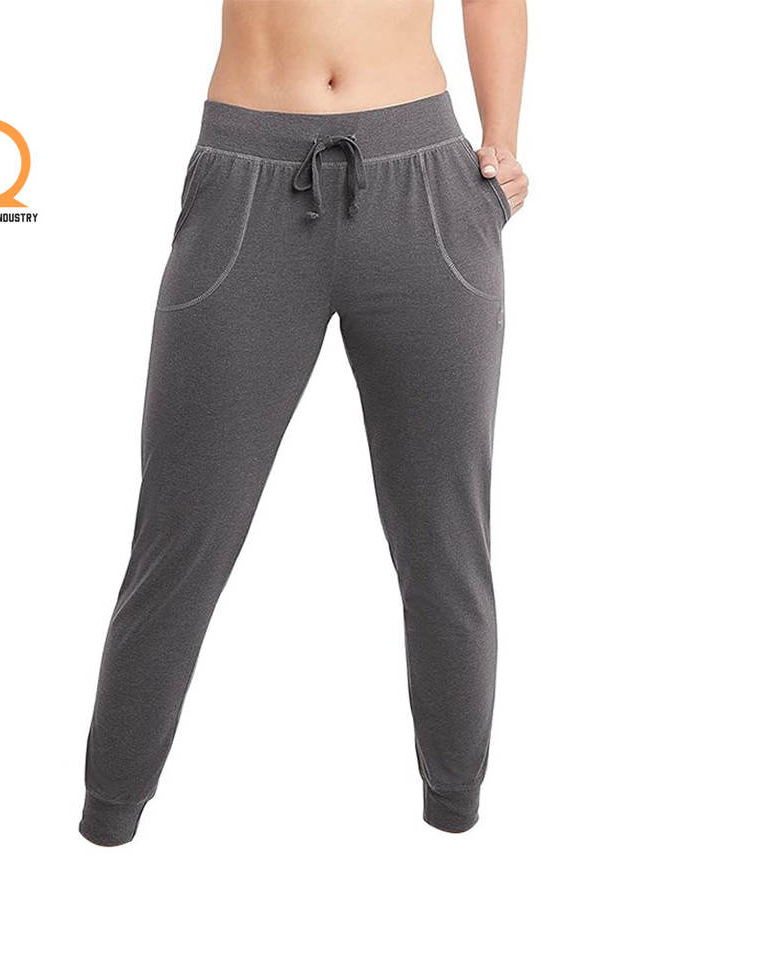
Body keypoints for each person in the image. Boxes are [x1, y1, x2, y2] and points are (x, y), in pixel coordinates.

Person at [80, 0, 529, 845]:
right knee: (183, 533)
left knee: (445, 538)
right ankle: (110, 811)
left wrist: (500, 147)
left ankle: (455, 809)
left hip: (426, 185)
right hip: (246, 183)